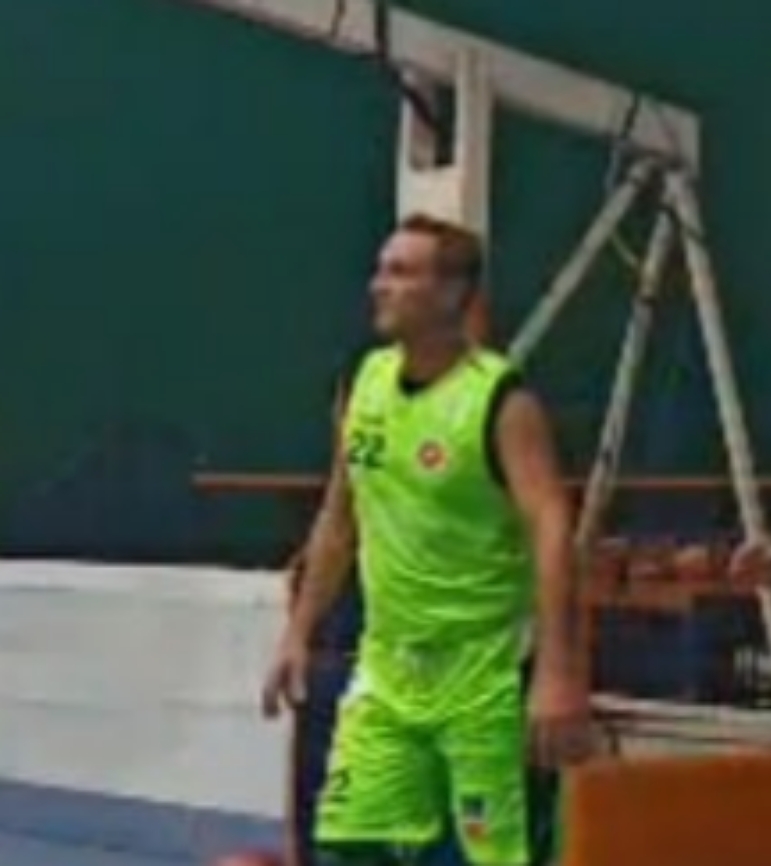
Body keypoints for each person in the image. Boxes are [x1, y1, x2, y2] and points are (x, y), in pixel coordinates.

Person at [262, 213, 590, 866]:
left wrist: (558, 672)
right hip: (387, 672)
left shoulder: (501, 401)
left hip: (484, 679)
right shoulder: (365, 383)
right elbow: (339, 518)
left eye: (401, 272)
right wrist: (298, 631)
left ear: (451, 293)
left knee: (491, 855)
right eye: (381, 269)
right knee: (346, 848)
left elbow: (553, 529)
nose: (378, 284)